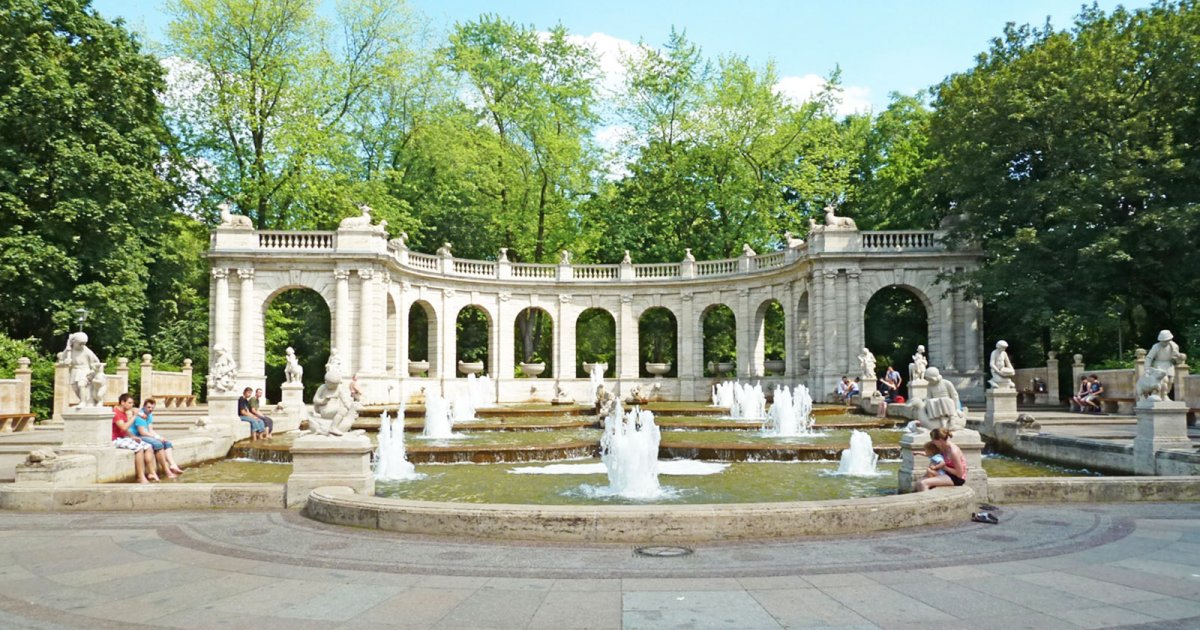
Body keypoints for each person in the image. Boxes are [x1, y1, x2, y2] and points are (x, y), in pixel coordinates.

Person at [130, 398, 184, 477]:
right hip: (138, 436)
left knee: (167, 443)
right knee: (158, 444)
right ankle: (166, 470)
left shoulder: (149, 414)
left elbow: (150, 429)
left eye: (152, 407)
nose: (150, 409)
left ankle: (173, 465)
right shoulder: (140, 416)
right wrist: (157, 438)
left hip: (145, 434)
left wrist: (159, 436)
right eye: (148, 407)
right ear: (144, 406)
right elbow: (142, 432)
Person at [112, 393, 156, 483]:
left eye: (132, 403)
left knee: (148, 446)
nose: (131, 405)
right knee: (139, 448)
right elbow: (123, 427)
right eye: (129, 403)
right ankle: (140, 476)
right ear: (122, 402)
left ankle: (152, 473)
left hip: (123, 437)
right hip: (115, 439)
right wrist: (135, 416)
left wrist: (132, 436)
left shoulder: (123, 412)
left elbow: (125, 430)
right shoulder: (116, 413)